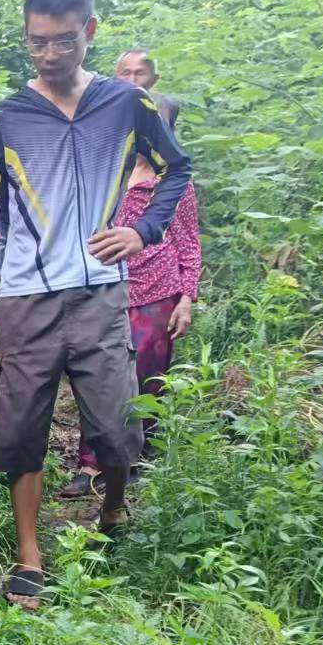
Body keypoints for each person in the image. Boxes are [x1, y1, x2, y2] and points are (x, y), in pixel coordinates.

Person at [0, 0, 192, 610]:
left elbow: (177, 167)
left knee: (118, 423)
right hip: (26, 297)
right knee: (21, 427)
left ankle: (113, 512)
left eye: (63, 41)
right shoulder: (2, 119)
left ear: (89, 31)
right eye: (37, 42)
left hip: (101, 291)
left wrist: (143, 230)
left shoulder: (128, 105)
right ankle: (29, 556)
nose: (49, 54)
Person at [61, 92, 199, 498]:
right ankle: (90, 465)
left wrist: (186, 299)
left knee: (145, 379)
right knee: (96, 376)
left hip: (157, 290)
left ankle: (135, 460)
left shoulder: (173, 184)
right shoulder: (106, 172)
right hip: (104, 287)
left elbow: (189, 243)